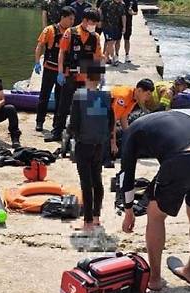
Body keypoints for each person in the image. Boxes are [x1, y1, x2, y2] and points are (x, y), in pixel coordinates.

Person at [120, 111, 190, 290]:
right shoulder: (172, 118)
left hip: (183, 157)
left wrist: (128, 210)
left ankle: (154, 279)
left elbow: (126, 175)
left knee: (155, 214)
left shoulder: (131, 133)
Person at [46, 8, 102, 142]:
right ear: (84, 20)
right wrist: (60, 72)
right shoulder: (70, 33)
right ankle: (57, 132)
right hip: (69, 73)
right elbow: (62, 52)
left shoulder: (95, 37)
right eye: (92, 22)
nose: (94, 25)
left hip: (85, 75)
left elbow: (97, 57)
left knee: (84, 105)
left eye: (95, 23)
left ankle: (79, 133)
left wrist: (97, 78)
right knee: (63, 104)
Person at [69, 63, 114, 230]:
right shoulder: (106, 96)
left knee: (86, 182)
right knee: (97, 179)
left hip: (84, 143)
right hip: (99, 144)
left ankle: (87, 221)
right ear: (99, 78)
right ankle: (96, 217)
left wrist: (71, 136)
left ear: (86, 76)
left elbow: (74, 123)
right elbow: (111, 122)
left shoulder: (79, 96)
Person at [34, 6, 75, 132]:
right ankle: (39, 121)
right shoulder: (50, 30)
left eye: (73, 19)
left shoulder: (71, 33)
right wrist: (37, 62)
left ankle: (57, 124)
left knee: (60, 98)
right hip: (49, 68)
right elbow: (40, 45)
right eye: (70, 19)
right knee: (44, 96)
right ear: (63, 17)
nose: (72, 22)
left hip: (62, 71)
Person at [106, 79, 154, 165]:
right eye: (147, 94)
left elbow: (124, 118)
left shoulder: (133, 98)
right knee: (113, 148)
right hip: (99, 121)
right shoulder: (123, 97)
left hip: (108, 122)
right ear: (139, 90)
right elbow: (112, 120)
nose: (148, 98)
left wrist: (130, 136)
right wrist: (113, 143)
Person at [98, 0, 126, 66]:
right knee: (110, 42)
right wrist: (100, 20)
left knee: (112, 42)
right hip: (106, 26)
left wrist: (124, 26)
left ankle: (106, 58)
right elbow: (99, 10)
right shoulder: (106, 2)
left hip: (116, 26)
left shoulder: (121, 5)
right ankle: (114, 58)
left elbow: (123, 16)